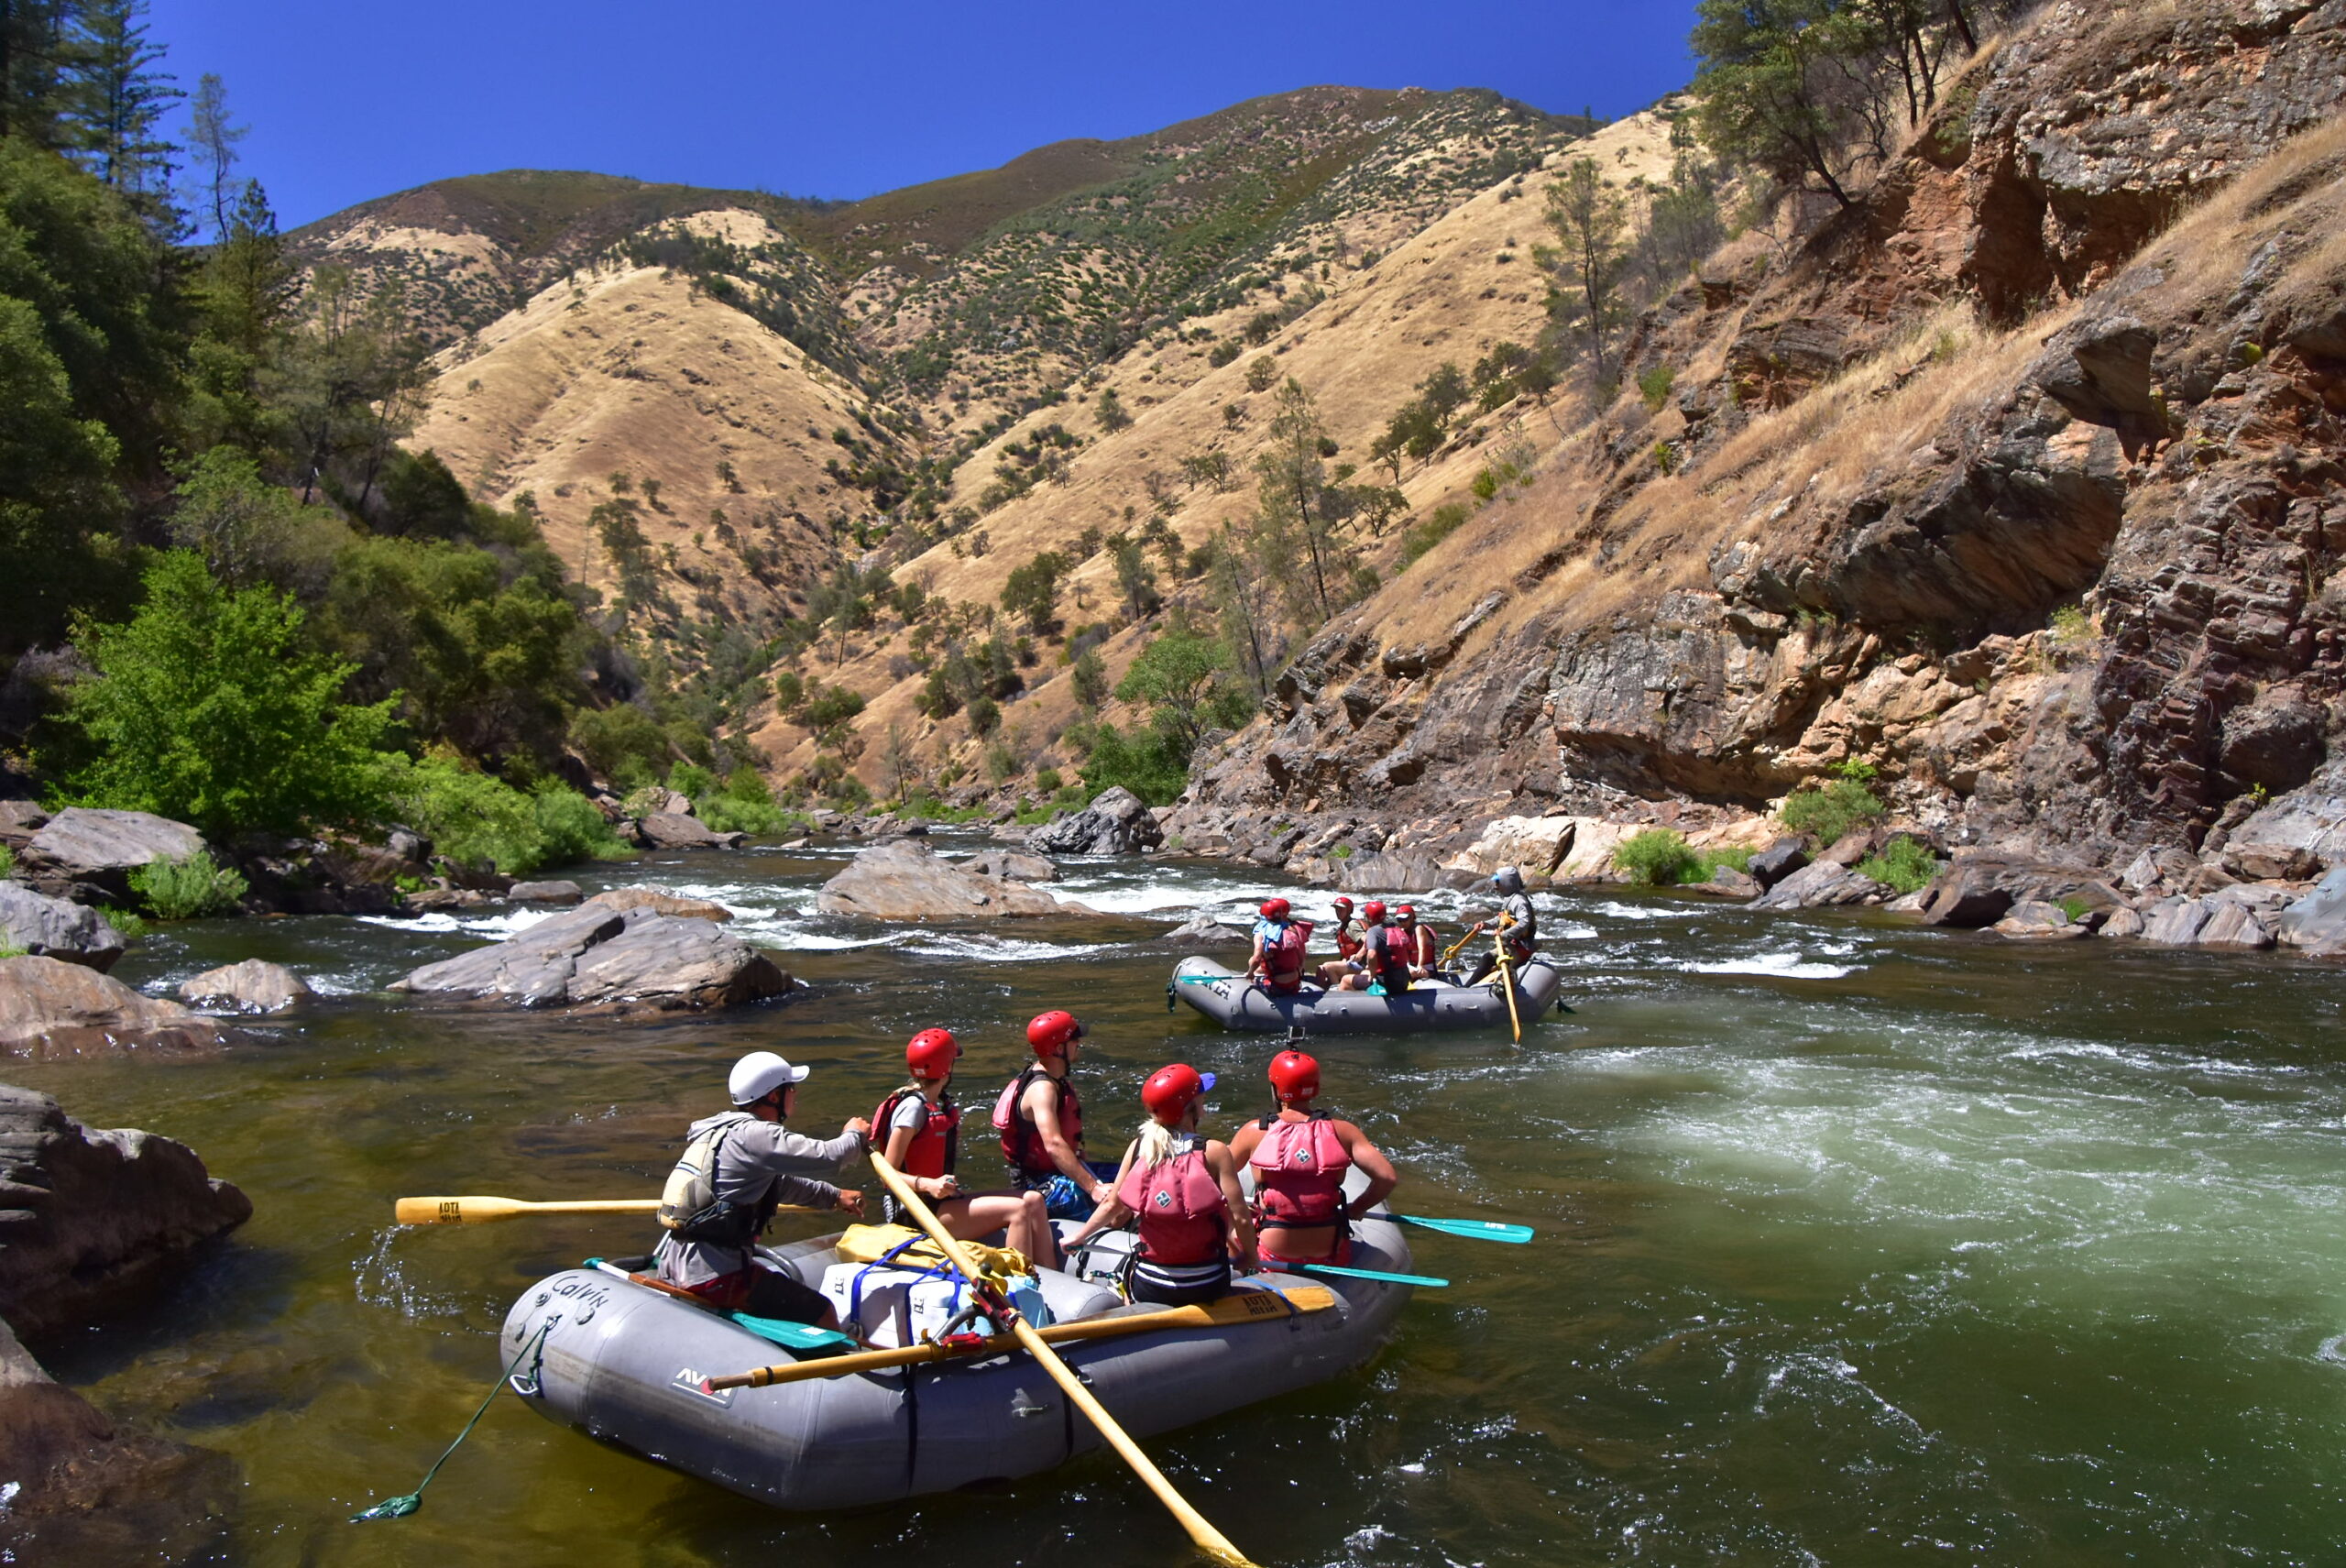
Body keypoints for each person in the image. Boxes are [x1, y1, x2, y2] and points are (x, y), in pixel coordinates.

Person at [654, 1050, 868, 1328]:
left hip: (675, 1263)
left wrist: (834, 1196)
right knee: (821, 1311)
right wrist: (854, 1134)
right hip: (713, 1275)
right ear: (774, 1096)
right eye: (791, 1088)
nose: (796, 1094)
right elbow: (829, 1157)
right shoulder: (758, 1135)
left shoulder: (719, 1130)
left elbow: (775, 1184)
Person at [1067, 1063, 1256, 1306]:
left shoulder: (1139, 1148)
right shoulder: (1214, 1151)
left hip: (1151, 1284)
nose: (1204, 1099)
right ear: (1192, 1108)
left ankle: (1133, 1311)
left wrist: (1078, 1237)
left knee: (1127, 1278)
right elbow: (1240, 1217)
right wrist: (1250, 1257)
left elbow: (1112, 1205)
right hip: (1208, 1282)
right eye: (1201, 1096)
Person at [873, 1026, 1060, 1269]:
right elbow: (886, 1176)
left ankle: (1053, 1280)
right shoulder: (913, 1109)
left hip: (939, 1205)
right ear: (946, 1068)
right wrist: (928, 1184)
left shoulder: (934, 1104)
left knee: (1034, 1200)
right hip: (918, 1214)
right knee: (1018, 1211)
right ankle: (1017, 1288)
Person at [1226, 1049, 1398, 1268]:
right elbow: (1387, 1178)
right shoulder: (1343, 1131)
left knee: (1227, 1229)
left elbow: (1214, 1180)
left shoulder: (1254, 1132)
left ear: (1276, 1088)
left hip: (1274, 1251)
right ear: (1315, 1088)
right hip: (1329, 1250)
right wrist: (1357, 1208)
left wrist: (1237, 1209)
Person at [998, 1009, 1115, 1221]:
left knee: (1134, 1179)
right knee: (1117, 1201)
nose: (1079, 1042)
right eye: (1074, 1039)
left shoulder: (1055, 1079)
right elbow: (1053, 1144)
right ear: (1059, 1048)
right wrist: (1093, 1188)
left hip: (1056, 1173)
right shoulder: (1043, 1089)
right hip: (1037, 1184)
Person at [1463, 866, 1539, 984]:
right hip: (1511, 944)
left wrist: (1503, 934)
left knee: (1488, 958)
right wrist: (1486, 924)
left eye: (1498, 883)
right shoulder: (1510, 899)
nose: (1495, 886)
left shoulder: (1519, 901)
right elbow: (1502, 918)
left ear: (1506, 883)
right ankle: (1472, 985)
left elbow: (1524, 922)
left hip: (1520, 947)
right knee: (1488, 960)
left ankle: (1467, 987)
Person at [1335, 901, 1413, 992]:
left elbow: (1371, 955)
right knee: (1364, 972)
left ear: (1369, 917)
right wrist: (1358, 956)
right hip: (1403, 979)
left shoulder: (1373, 931)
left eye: (1366, 916)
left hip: (1387, 981)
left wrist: (1372, 976)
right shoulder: (1394, 928)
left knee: (1345, 979)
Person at [1244, 897, 1314, 993]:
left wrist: (1250, 973)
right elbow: (1301, 959)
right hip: (1294, 983)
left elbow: (1257, 959)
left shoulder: (1262, 934)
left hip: (1275, 986)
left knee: (1253, 965)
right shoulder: (1293, 932)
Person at [1316, 896, 1364, 987]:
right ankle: (1321, 993)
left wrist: (1359, 955)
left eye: (1341, 909)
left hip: (1360, 965)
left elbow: (1367, 941)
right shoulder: (1343, 926)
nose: (1338, 912)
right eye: (1337, 909)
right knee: (1321, 969)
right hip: (1349, 962)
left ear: (1349, 910)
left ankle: (1338, 991)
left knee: (1328, 966)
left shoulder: (1352, 925)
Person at [1393, 904, 1441, 981]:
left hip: (1427, 968)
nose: (1402, 923)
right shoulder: (1402, 931)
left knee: (1407, 974)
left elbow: (1422, 949)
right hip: (1412, 966)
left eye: (1405, 919)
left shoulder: (1419, 929)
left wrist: (1420, 965)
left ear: (1412, 918)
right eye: (1399, 920)